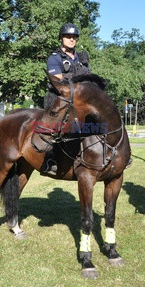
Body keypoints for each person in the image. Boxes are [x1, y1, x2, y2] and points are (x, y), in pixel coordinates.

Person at [41, 23, 92, 175]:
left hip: (79, 98)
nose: (72, 39)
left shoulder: (81, 58)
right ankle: (49, 159)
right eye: (68, 36)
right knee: (54, 126)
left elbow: (88, 79)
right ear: (61, 38)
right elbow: (57, 80)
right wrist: (76, 75)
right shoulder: (54, 58)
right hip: (59, 96)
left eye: (74, 37)